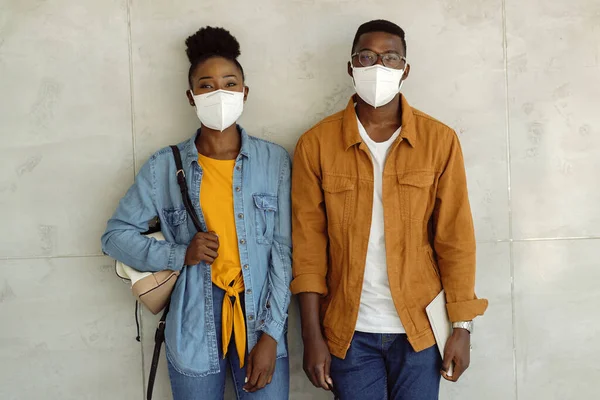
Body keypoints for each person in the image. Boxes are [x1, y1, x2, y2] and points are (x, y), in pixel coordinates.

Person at [291, 19, 488, 400]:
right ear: (351, 67)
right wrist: (311, 337)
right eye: (366, 57)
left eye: (390, 57)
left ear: (405, 69)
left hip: (421, 329)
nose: (377, 66)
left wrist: (462, 327)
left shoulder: (439, 141)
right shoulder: (316, 144)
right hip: (349, 332)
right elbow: (308, 248)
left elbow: (455, 239)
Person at [102, 26, 291, 400]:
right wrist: (179, 254)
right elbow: (115, 236)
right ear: (191, 97)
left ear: (244, 92)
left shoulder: (274, 161)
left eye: (229, 83)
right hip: (192, 324)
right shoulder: (163, 167)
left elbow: (283, 253)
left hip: (259, 319)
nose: (218, 93)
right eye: (206, 85)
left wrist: (271, 334)